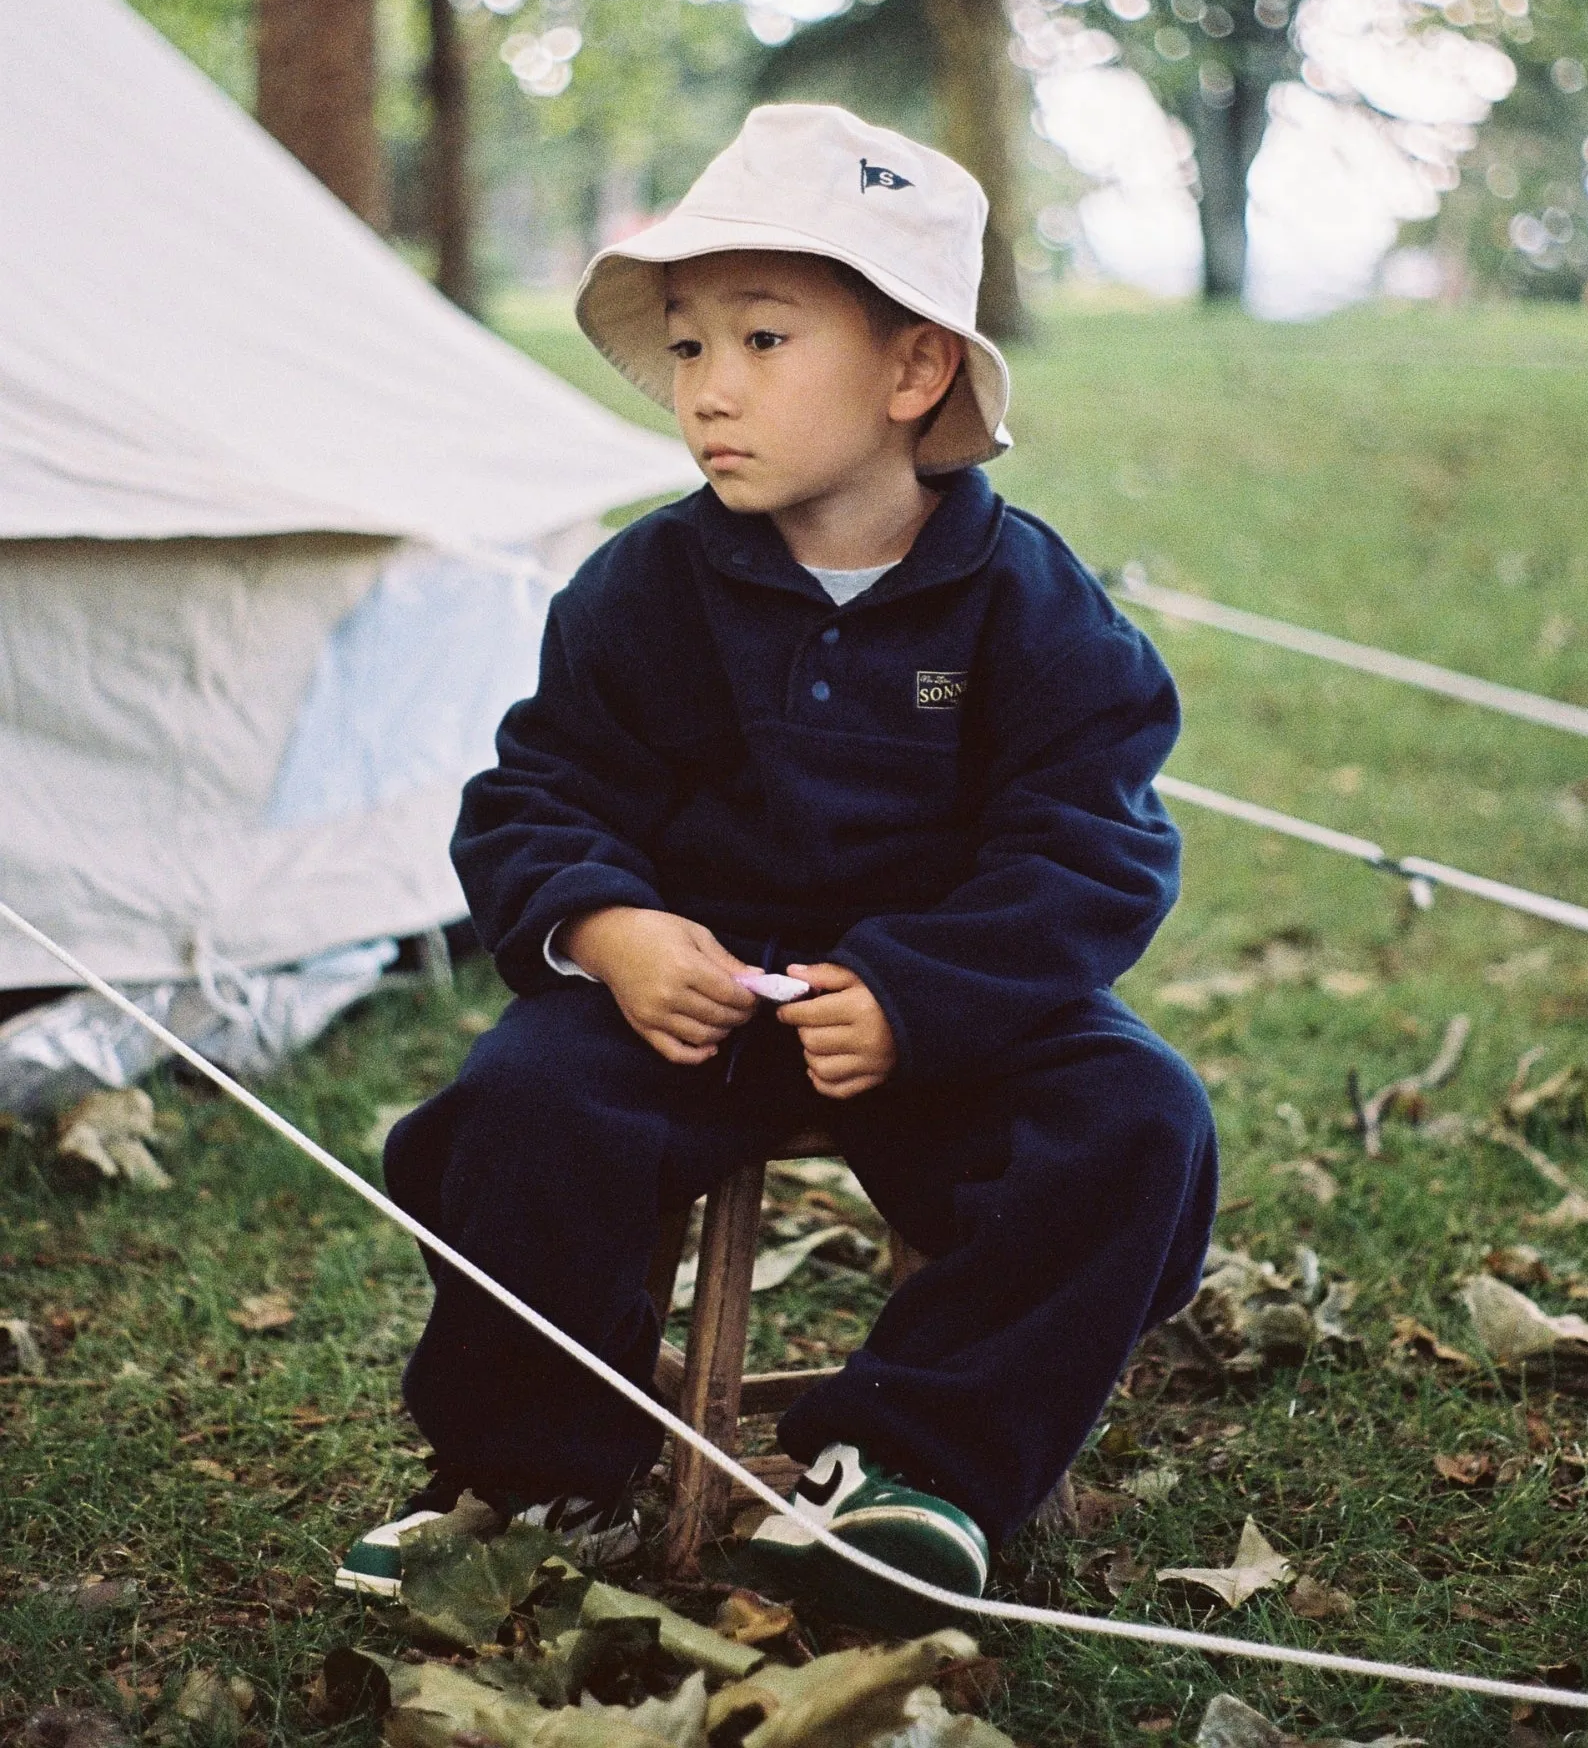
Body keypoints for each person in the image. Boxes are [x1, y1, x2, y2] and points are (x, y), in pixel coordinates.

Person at [336, 104, 1218, 1631]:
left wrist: (918, 989)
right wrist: (608, 929)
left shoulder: (1024, 602)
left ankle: (908, 1469)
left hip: (945, 1012)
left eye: (761, 340)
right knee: (516, 1112)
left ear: (913, 370)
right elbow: (538, 789)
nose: (708, 392)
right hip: (688, 999)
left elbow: (1095, 838)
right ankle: (531, 1465)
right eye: (688, 349)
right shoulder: (643, 587)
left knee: (1136, 1120)